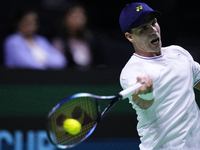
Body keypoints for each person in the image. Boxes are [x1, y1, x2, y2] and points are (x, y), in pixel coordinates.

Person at [119, 2, 200, 150]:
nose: (153, 30)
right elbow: (143, 103)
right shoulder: (132, 71)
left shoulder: (179, 53)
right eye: (143, 28)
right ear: (130, 37)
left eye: (154, 23)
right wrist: (146, 93)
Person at [52, 2, 106, 70]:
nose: (80, 20)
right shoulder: (59, 42)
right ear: (66, 18)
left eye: (82, 16)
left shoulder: (91, 40)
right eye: (76, 16)